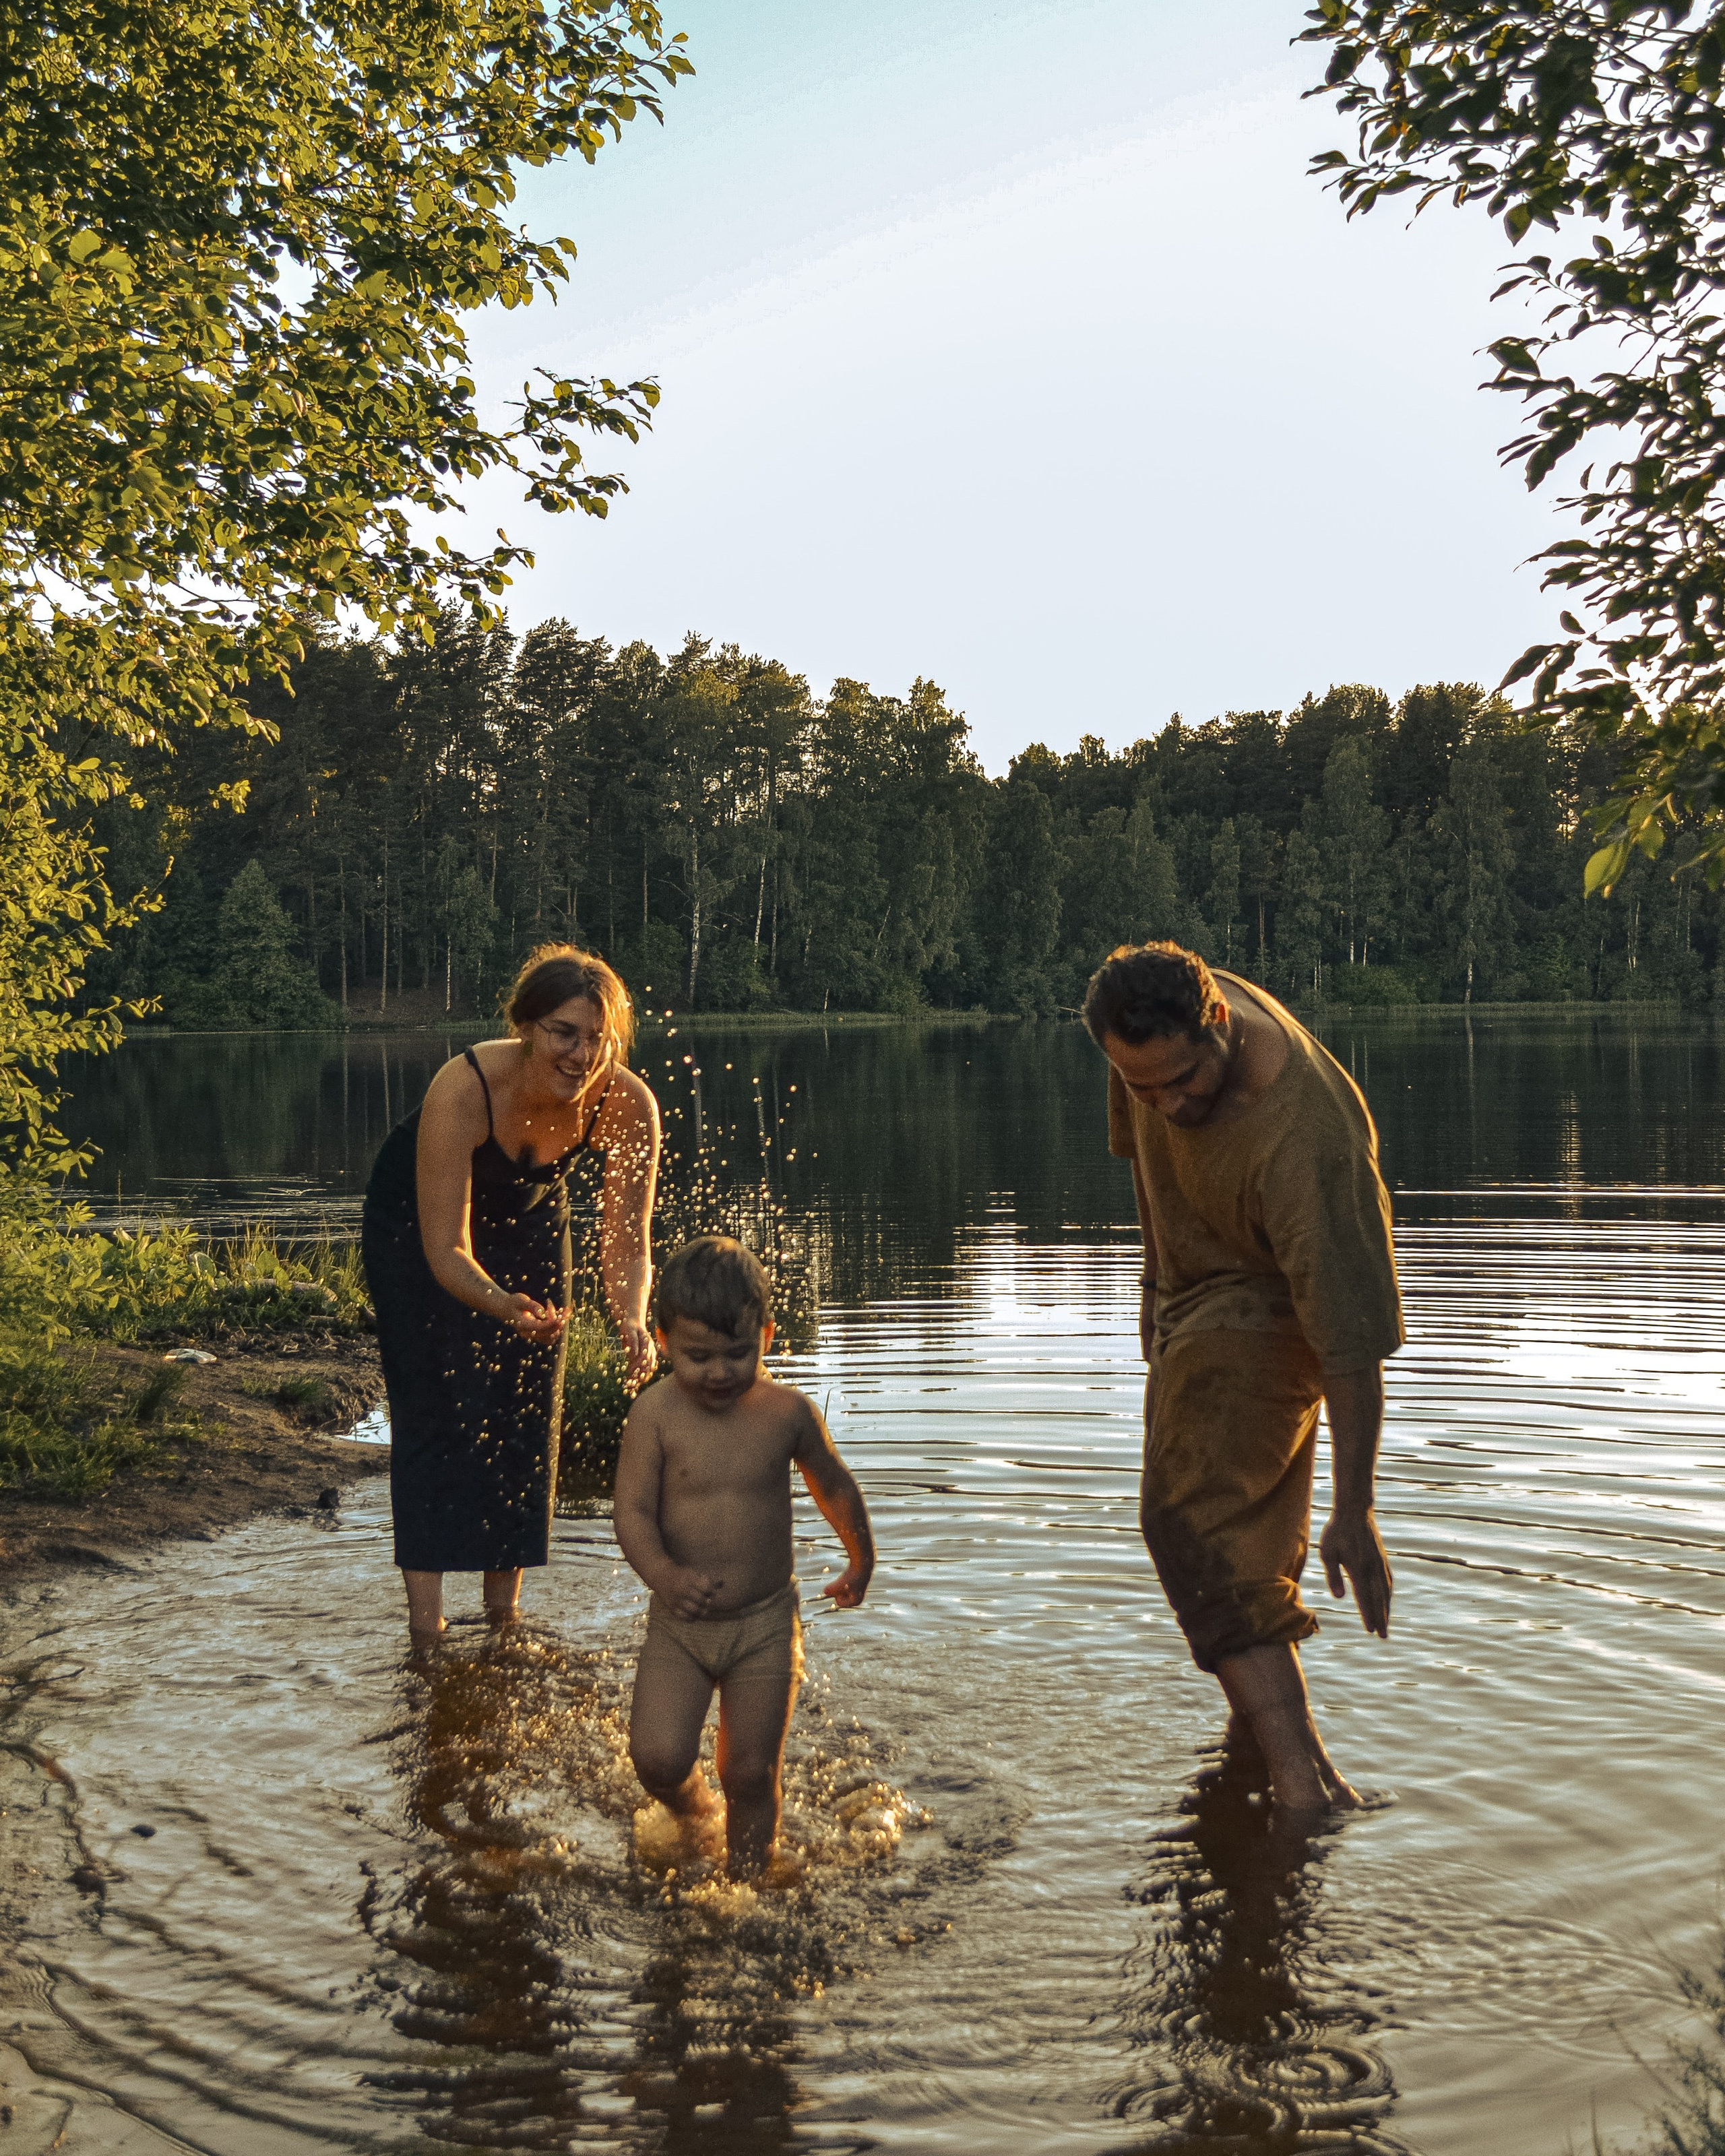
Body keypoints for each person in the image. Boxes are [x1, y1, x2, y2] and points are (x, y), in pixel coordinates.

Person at [1084, 940, 1404, 1814]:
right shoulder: (1142, 1039)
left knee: (1188, 1520)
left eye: (1183, 1080)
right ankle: (1253, 1749)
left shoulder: (1309, 1142)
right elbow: (1144, 1156)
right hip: (1193, 1284)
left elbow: (1352, 1344)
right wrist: (1154, 1281)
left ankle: (1307, 1786)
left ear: (1219, 1023)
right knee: (1239, 1540)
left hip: (1279, 1299)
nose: (1169, 1104)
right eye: (1144, 1086)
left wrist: (1353, 1509)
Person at [362, 945, 660, 1646]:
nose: (582, 1055)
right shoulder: (464, 1085)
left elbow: (627, 1243)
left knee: (527, 1402)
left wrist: (631, 1318)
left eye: (598, 1038)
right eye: (564, 1033)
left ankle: (504, 1620)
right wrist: (501, 1305)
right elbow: (447, 1250)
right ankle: (427, 1628)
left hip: (532, 1212)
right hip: (417, 1223)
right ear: (526, 1026)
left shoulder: (627, 1103)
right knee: (433, 1400)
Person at [613, 1235, 875, 1880]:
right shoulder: (654, 1415)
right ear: (664, 1340)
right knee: (657, 1759)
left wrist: (859, 1559)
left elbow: (834, 1484)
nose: (720, 1372)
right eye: (698, 1356)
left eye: (738, 1353)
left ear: (767, 1335)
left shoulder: (787, 1413)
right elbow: (632, 1514)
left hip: (764, 1624)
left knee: (751, 1772)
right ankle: (695, 1810)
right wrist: (665, 1576)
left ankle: (750, 1883)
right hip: (681, 1625)